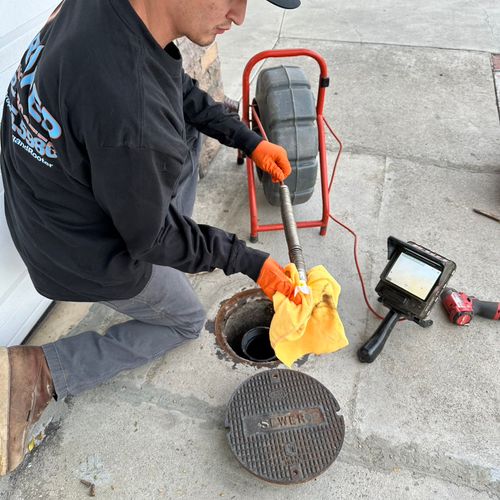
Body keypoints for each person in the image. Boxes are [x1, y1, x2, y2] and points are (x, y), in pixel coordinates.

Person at [0, 0, 302, 475]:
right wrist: (246, 260)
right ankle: (43, 372)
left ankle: (157, 226)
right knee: (182, 319)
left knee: (187, 135)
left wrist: (248, 139)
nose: (239, 15)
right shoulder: (131, 109)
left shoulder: (110, 13)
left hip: (41, 201)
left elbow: (173, 87)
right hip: (75, 251)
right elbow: (150, 237)